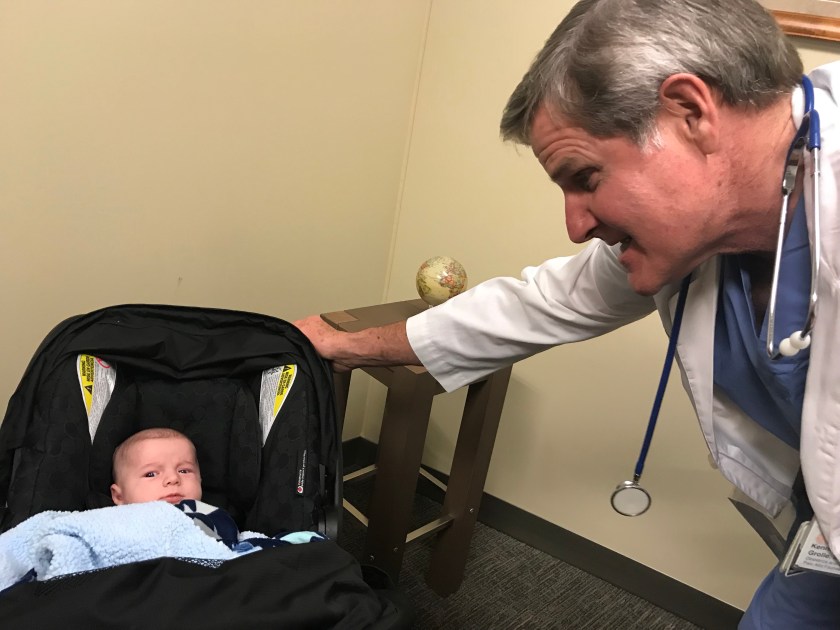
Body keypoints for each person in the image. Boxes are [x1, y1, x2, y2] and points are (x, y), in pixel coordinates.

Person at [294, 0, 840, 627]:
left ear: (690, 112)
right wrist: (344, 344)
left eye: (585, 177)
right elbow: (537, 305)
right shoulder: (703, 238)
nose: (576, 226)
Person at [110, 427, 203, 506]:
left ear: (200, 480)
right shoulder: (111, 520)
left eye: (184, 471)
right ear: (119, 496)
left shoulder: (210, 516)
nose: (173, 478)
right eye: (151, 474)